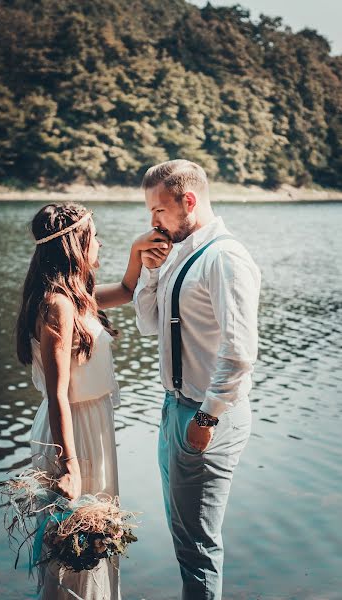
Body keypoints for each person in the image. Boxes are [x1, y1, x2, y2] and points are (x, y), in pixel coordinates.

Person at [16, 202, 170, 600]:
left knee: (97, 537)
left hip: (93, 425)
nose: (100, 243)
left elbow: (125, 290)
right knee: (73, 546)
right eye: (95, 237)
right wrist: (68, 465)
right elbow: (57, 395)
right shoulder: (57, 305)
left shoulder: (78, 297)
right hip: (71, 431)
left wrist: (139, 251)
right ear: (76, 244)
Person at [133, 160, 261, 600]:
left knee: (200, 549)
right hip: (175, 408)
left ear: (188, 201)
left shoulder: (225, 258)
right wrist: (150, 271)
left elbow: (240, 351)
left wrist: (206, 420)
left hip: (208, 418)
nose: (153, 222)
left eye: (159, 210)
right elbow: (149, 324)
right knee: (185, 538)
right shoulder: (181, 253)